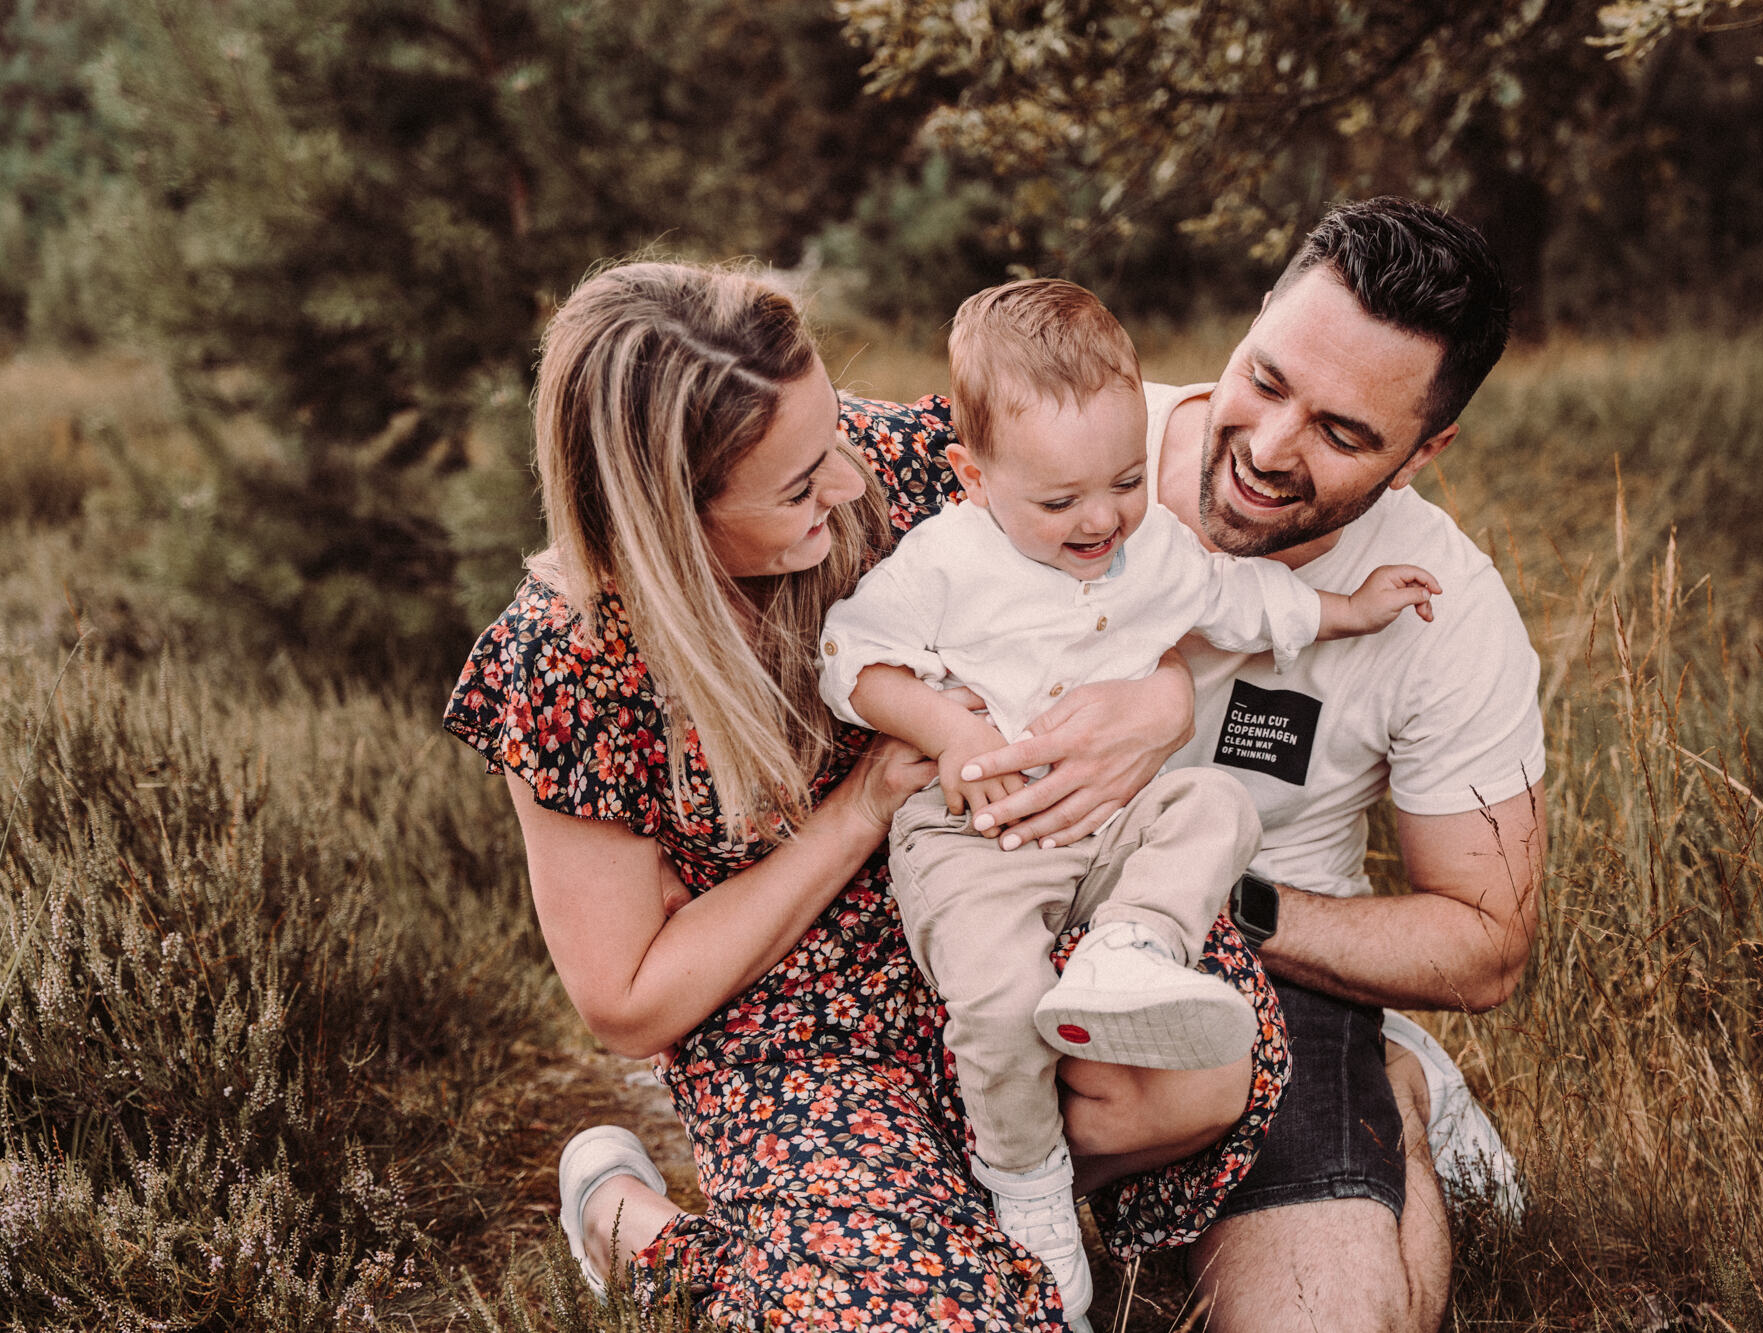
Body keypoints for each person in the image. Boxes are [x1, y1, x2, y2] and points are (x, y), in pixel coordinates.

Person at [441, 261, 1291, 1331]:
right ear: (668, 521)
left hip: (1001, 884)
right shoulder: (570, 660)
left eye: (832, 432)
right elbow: (627, 998)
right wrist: (860, 804)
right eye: (798, 487)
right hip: (794, 1022)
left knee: (1204, 1065)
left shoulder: (901, 464)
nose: (846, 484)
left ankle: (941, 1218)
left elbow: (1118, 574)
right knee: (924, 1317)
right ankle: (637, 1231)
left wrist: (1161, 701)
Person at [916, 198, 1547, 1333]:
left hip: (1245, 986)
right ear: (1253, 316)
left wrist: (1213, 904)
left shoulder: (1442, 610)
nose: (1265, 449)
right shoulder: (1060, 434)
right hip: (987, 921)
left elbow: (1484, 941)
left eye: (1342, 434)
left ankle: (1382, 1077)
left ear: (1423, 453)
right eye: (1265, 380)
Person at [815, 277, 1443, 1318]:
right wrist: (949, 729)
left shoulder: (1149, 545)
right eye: (1059, 502)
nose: (1100, 517)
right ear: (972, 477)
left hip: (1104, 833)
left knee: (1213, 808)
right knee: (999, 997)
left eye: (1120, 480)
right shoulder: (942, 562)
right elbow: (851, 659)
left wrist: (1349, 609)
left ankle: (1131, 948)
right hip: (976, 837)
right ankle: (1027, 1188)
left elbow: (1243, 599)